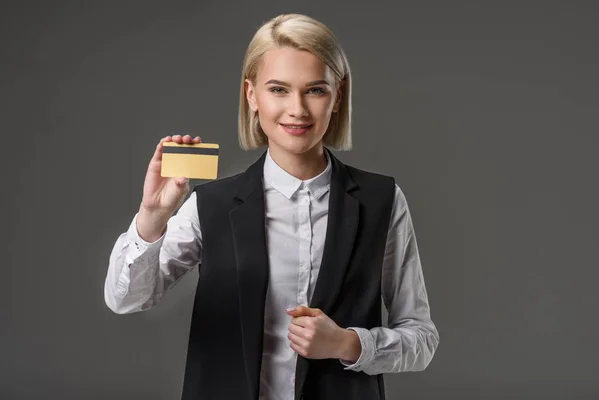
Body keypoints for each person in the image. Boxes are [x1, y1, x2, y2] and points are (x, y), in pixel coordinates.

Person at [104, 13, 439, 400]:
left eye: (315, 90)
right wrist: (152, 216)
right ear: (252, 95)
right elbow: (125, 299)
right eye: (278, 89)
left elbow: (422, 338)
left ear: (337, 96)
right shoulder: (210, 205)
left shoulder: (381, 200)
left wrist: (348, 343)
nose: (297, 109)